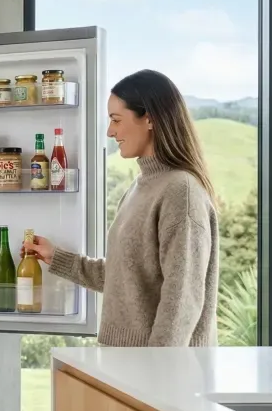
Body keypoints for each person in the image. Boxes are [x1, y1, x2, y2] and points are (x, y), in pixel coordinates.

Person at [24, 69, 219, 346]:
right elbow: (125, 278)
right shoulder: (140, 187)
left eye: (116, 120)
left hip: (155, 364)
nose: (110, 131)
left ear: (149, 118)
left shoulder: (181, 191)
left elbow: (182, 300)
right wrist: (56, 257)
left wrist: (156, 366)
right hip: (125, 357)